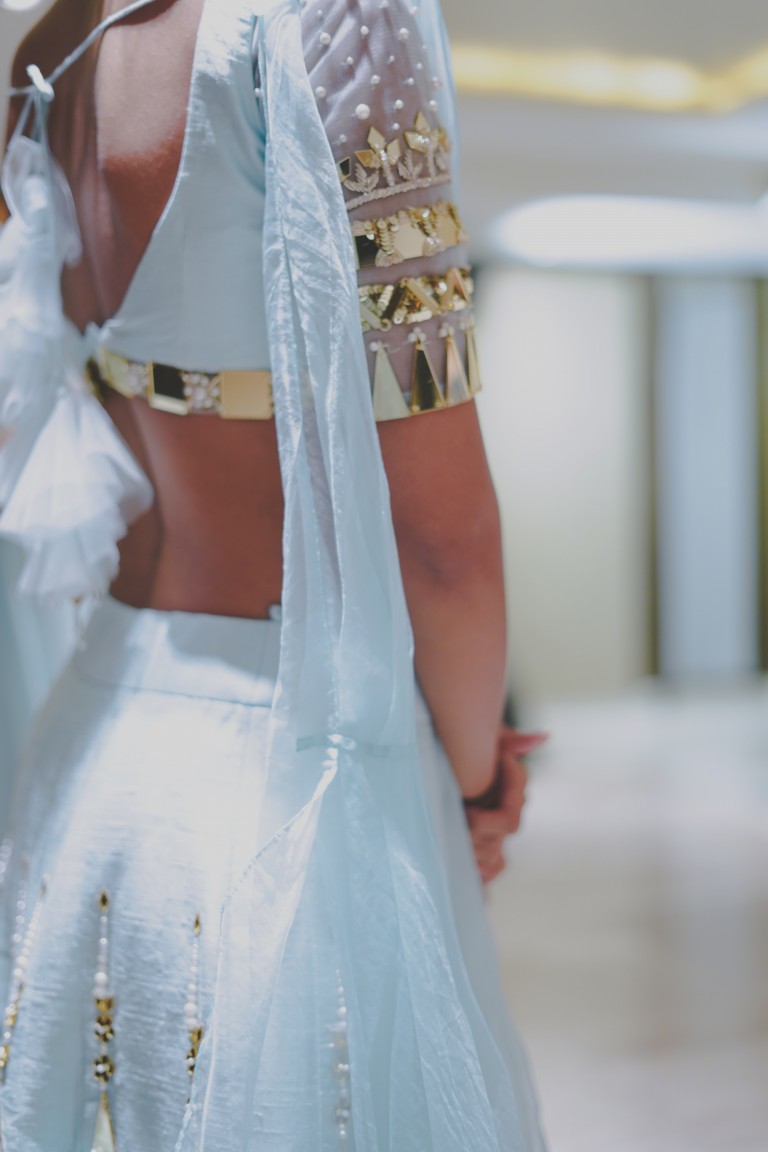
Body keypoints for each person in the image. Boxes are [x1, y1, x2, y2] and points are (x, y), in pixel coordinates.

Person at [0, 0, 549, 1148]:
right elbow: (446, 541)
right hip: (293, 792)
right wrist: (471, 783)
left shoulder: (50, 52)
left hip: (89, 759)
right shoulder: (341, 23)